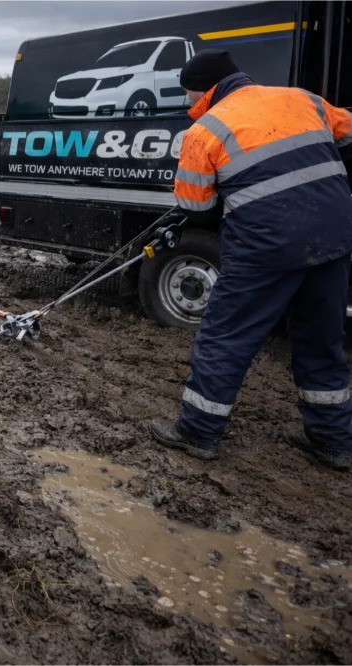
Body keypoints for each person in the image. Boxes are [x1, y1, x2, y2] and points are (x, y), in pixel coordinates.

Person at [149, 50, 352, 469]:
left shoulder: (206, 130)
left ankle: (198, 432)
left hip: (266, 244)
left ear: (205, 91)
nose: (188, 102)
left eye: (189, 93)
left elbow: (195, 206)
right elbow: (347, 133)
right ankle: (334, 441)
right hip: (334, 235)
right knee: (321, 338)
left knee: (226, 336)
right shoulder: (303, 98)